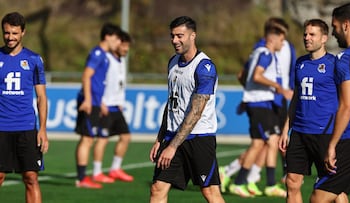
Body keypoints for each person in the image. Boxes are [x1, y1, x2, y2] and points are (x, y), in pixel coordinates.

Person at [149, 16, 225, 203]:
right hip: (173, 137)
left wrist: (172, 146)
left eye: (180, 36)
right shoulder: (173, 62)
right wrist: (161, 138)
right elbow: (172, 102)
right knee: (157, 188)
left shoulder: (204, 68)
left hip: (199, 139)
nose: (175, 40)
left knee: (210, 193)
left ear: (193, 36)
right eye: (172, 36)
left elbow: (196, 111)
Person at [220, 17, 296, 195]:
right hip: (264, 101)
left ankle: (260, 180)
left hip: (275, 101)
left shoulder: (285, 49)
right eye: (282, 37)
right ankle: (235, 176)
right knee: (261, 142)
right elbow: (251, 75)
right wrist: (255, 94)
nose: (284, 42)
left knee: (271, 141)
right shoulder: (264, 51)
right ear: (273, 36)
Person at [278, 18, 348, 203]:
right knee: (292, 182)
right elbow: (295, 98)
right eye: (305, 34)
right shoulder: (300, 63)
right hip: (300, 132)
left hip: (325, 133)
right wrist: (286, 129)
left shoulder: (335, 64)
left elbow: (346, 100)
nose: (307, 38)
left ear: (324, 38)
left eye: (312, 34)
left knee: (334, 187)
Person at [310, 3, 350, 202]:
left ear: (346, 25)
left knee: (318, 198)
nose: (333, 33)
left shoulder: (345, 58)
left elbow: (346, 106)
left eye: (335, 27)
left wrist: (332, 145)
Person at [0, 12, 49, 203]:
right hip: (1, 127)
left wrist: (43, 129)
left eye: (14, 33)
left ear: (23, 33)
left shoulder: (34, 60)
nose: (10, 37)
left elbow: (42, 97)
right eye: (6, 33)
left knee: (31, 178)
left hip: (27, 128)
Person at [74, 23, 122, 189]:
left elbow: (96, 82)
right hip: (89, 102)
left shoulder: (103, 55)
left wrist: (100, 102)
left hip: (95, 102)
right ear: (108, 37)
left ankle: (82, 177)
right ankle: (81, 179)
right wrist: (88, 100)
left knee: (88, 139)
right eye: (116, 39)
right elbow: (86, 76)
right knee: (87, 139)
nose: (118, 43)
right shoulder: (97, 53)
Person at [91, 30, 134, 183]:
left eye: (127, 46)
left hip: (116, 107)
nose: (126, 49)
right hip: (105, 106)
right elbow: (96, 80)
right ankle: (96, 172)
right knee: (103, 139)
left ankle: (115, 169)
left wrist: (120, 102)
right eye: (124, 45)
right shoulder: (106, 59)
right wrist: (100, 102)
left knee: (126, 137)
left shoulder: (121, 61)